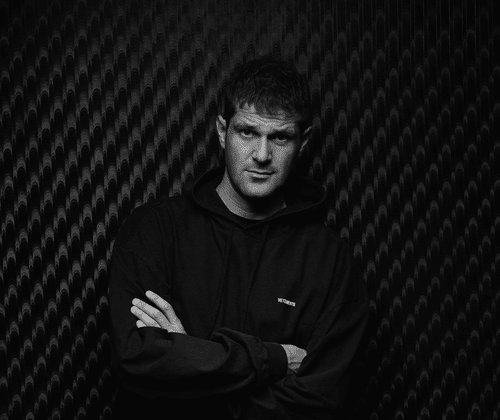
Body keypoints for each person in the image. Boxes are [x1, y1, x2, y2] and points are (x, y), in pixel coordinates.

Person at [108, 56, 369, 419]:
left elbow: (319, 403)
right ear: (222, 131)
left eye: (280, 137)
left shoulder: (330, 261)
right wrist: (275, 359)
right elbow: (137, 363)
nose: (262, 155)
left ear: (303, 142)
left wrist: (187, 359)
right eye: (247, 132)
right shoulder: (155, 230)